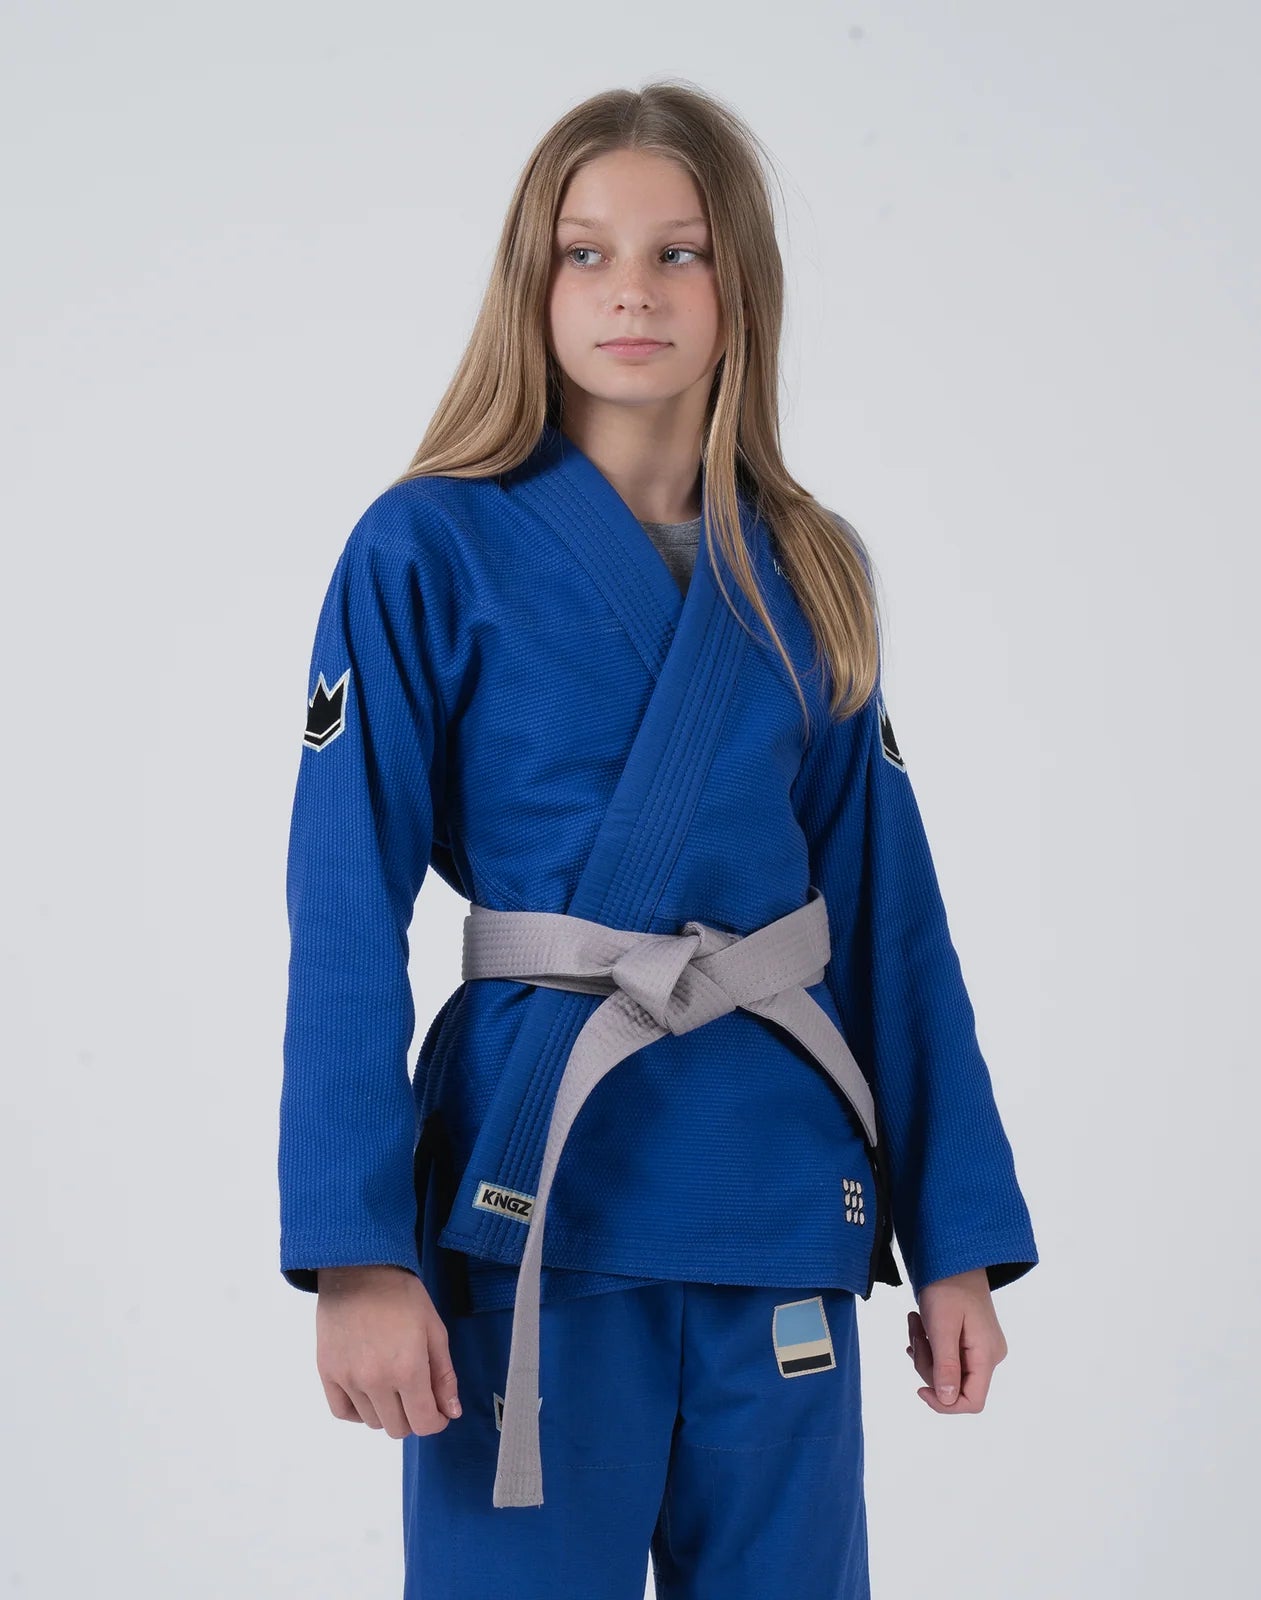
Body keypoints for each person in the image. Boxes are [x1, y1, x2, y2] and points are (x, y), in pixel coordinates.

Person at [278, 80, 1039, 1600]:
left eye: (678, 251)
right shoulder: (425, 545)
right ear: (533, 282)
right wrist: (358, 1251)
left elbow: (888, 909)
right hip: (538, 1195)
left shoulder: (809, 567)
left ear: (739, 281)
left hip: (777, 1194)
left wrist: (953, 1234)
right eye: (587, 252)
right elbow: (343, 906)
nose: (632, 288)